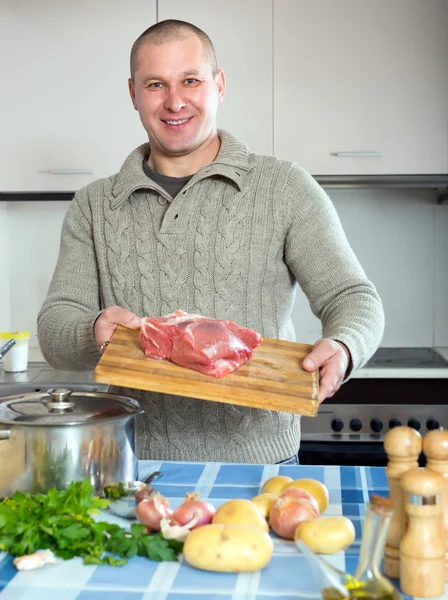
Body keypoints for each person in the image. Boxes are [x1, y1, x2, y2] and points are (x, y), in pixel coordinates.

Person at [37, 19, 384, 464]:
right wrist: (93, 330)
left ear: (218, 85)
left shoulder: (285, 187)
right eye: (156, 84)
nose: (175, 101)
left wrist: (344, 344)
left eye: (191, 80)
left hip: (261, 463)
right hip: (136, 464)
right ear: (133, 94)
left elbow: (353, 297)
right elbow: (55, 327)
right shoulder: (93, 205)